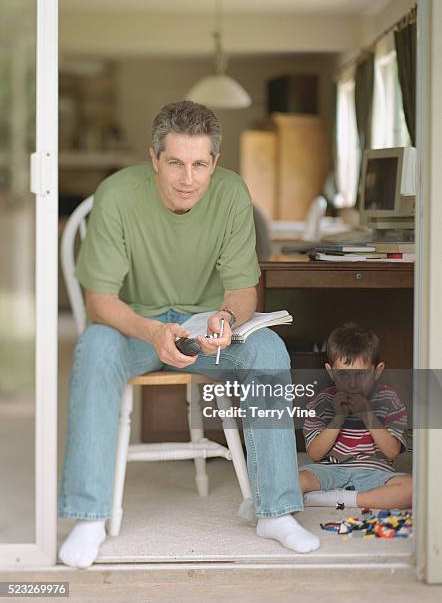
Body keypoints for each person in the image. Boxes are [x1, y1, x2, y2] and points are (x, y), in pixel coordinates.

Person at [57, 101, 319, 569]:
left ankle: (275, 511)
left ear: (215, 163)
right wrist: (154, 331)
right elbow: (99, 301)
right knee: (94, 347)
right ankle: (89, 517)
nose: (188, 178)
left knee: (268, 347)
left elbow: (242, 290)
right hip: (134, 329)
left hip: (204, 331)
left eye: (200, 164)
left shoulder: (233, 193)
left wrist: (226, 320)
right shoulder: (116, 194)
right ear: (154, 158)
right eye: (175, 162)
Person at [299, 322, 412, 510]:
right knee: (293, 480)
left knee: (413, 489)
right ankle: (342, 497)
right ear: (330, 372)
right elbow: (314, 454)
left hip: (375, 473)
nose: (352, 384)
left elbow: (391, 452)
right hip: (329, 471)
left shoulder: (390, 401)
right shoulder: (321, 402)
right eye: (343, 374)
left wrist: (368, 415)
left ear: (378, 371)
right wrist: (338, 418)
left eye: (361, 374)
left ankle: (342, 500)